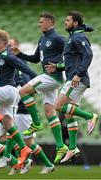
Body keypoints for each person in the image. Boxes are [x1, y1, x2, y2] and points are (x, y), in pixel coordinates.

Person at [11, 12, 68, 163]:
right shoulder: (42, 39)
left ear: (50, 23)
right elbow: (36, 59)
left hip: (52, 77)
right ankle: (61, 146)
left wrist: (59, 67)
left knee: (22, 91)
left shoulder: (57, 38)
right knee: (50, 112)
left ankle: (36, 123)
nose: (39, 24)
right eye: (39, 21)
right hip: (48, 78)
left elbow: (70, 54)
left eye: (42, 22)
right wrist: (20, 54)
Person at [45, 11, 98, 163]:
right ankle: (73, 147)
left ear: (75, 23)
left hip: (75, 79)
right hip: (74, 77)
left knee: (58, 106)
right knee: (69, 115)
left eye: (67, 20)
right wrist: (58, 67)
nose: (65, 22)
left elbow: (88, 55)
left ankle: (90, 116)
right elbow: (71, 60)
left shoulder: (78, 37)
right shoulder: (74, 36)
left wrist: (79, 74)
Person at [0, 29, 38, 167]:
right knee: (9, 125)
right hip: (4, 95)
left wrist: (37, 81)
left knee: (3, 121)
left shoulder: (8, 56)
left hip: (9, 91)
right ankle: (24, 149)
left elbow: (25, 68)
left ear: (2, 44)